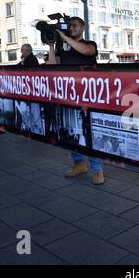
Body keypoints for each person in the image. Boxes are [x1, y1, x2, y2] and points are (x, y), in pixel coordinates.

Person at [47, 16, 105, 185]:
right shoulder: (62, 47)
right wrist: (52, 46)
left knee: (89, 131)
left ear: (83, 28)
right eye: (69, 25)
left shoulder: (90, 44)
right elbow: (52, 65)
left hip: (87, 95)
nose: (71, 28)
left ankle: (97, 169)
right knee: (70, 129)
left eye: (74, 25)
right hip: (67, 94)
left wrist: (64, 37)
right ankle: (79, 163)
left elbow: (86, 51)